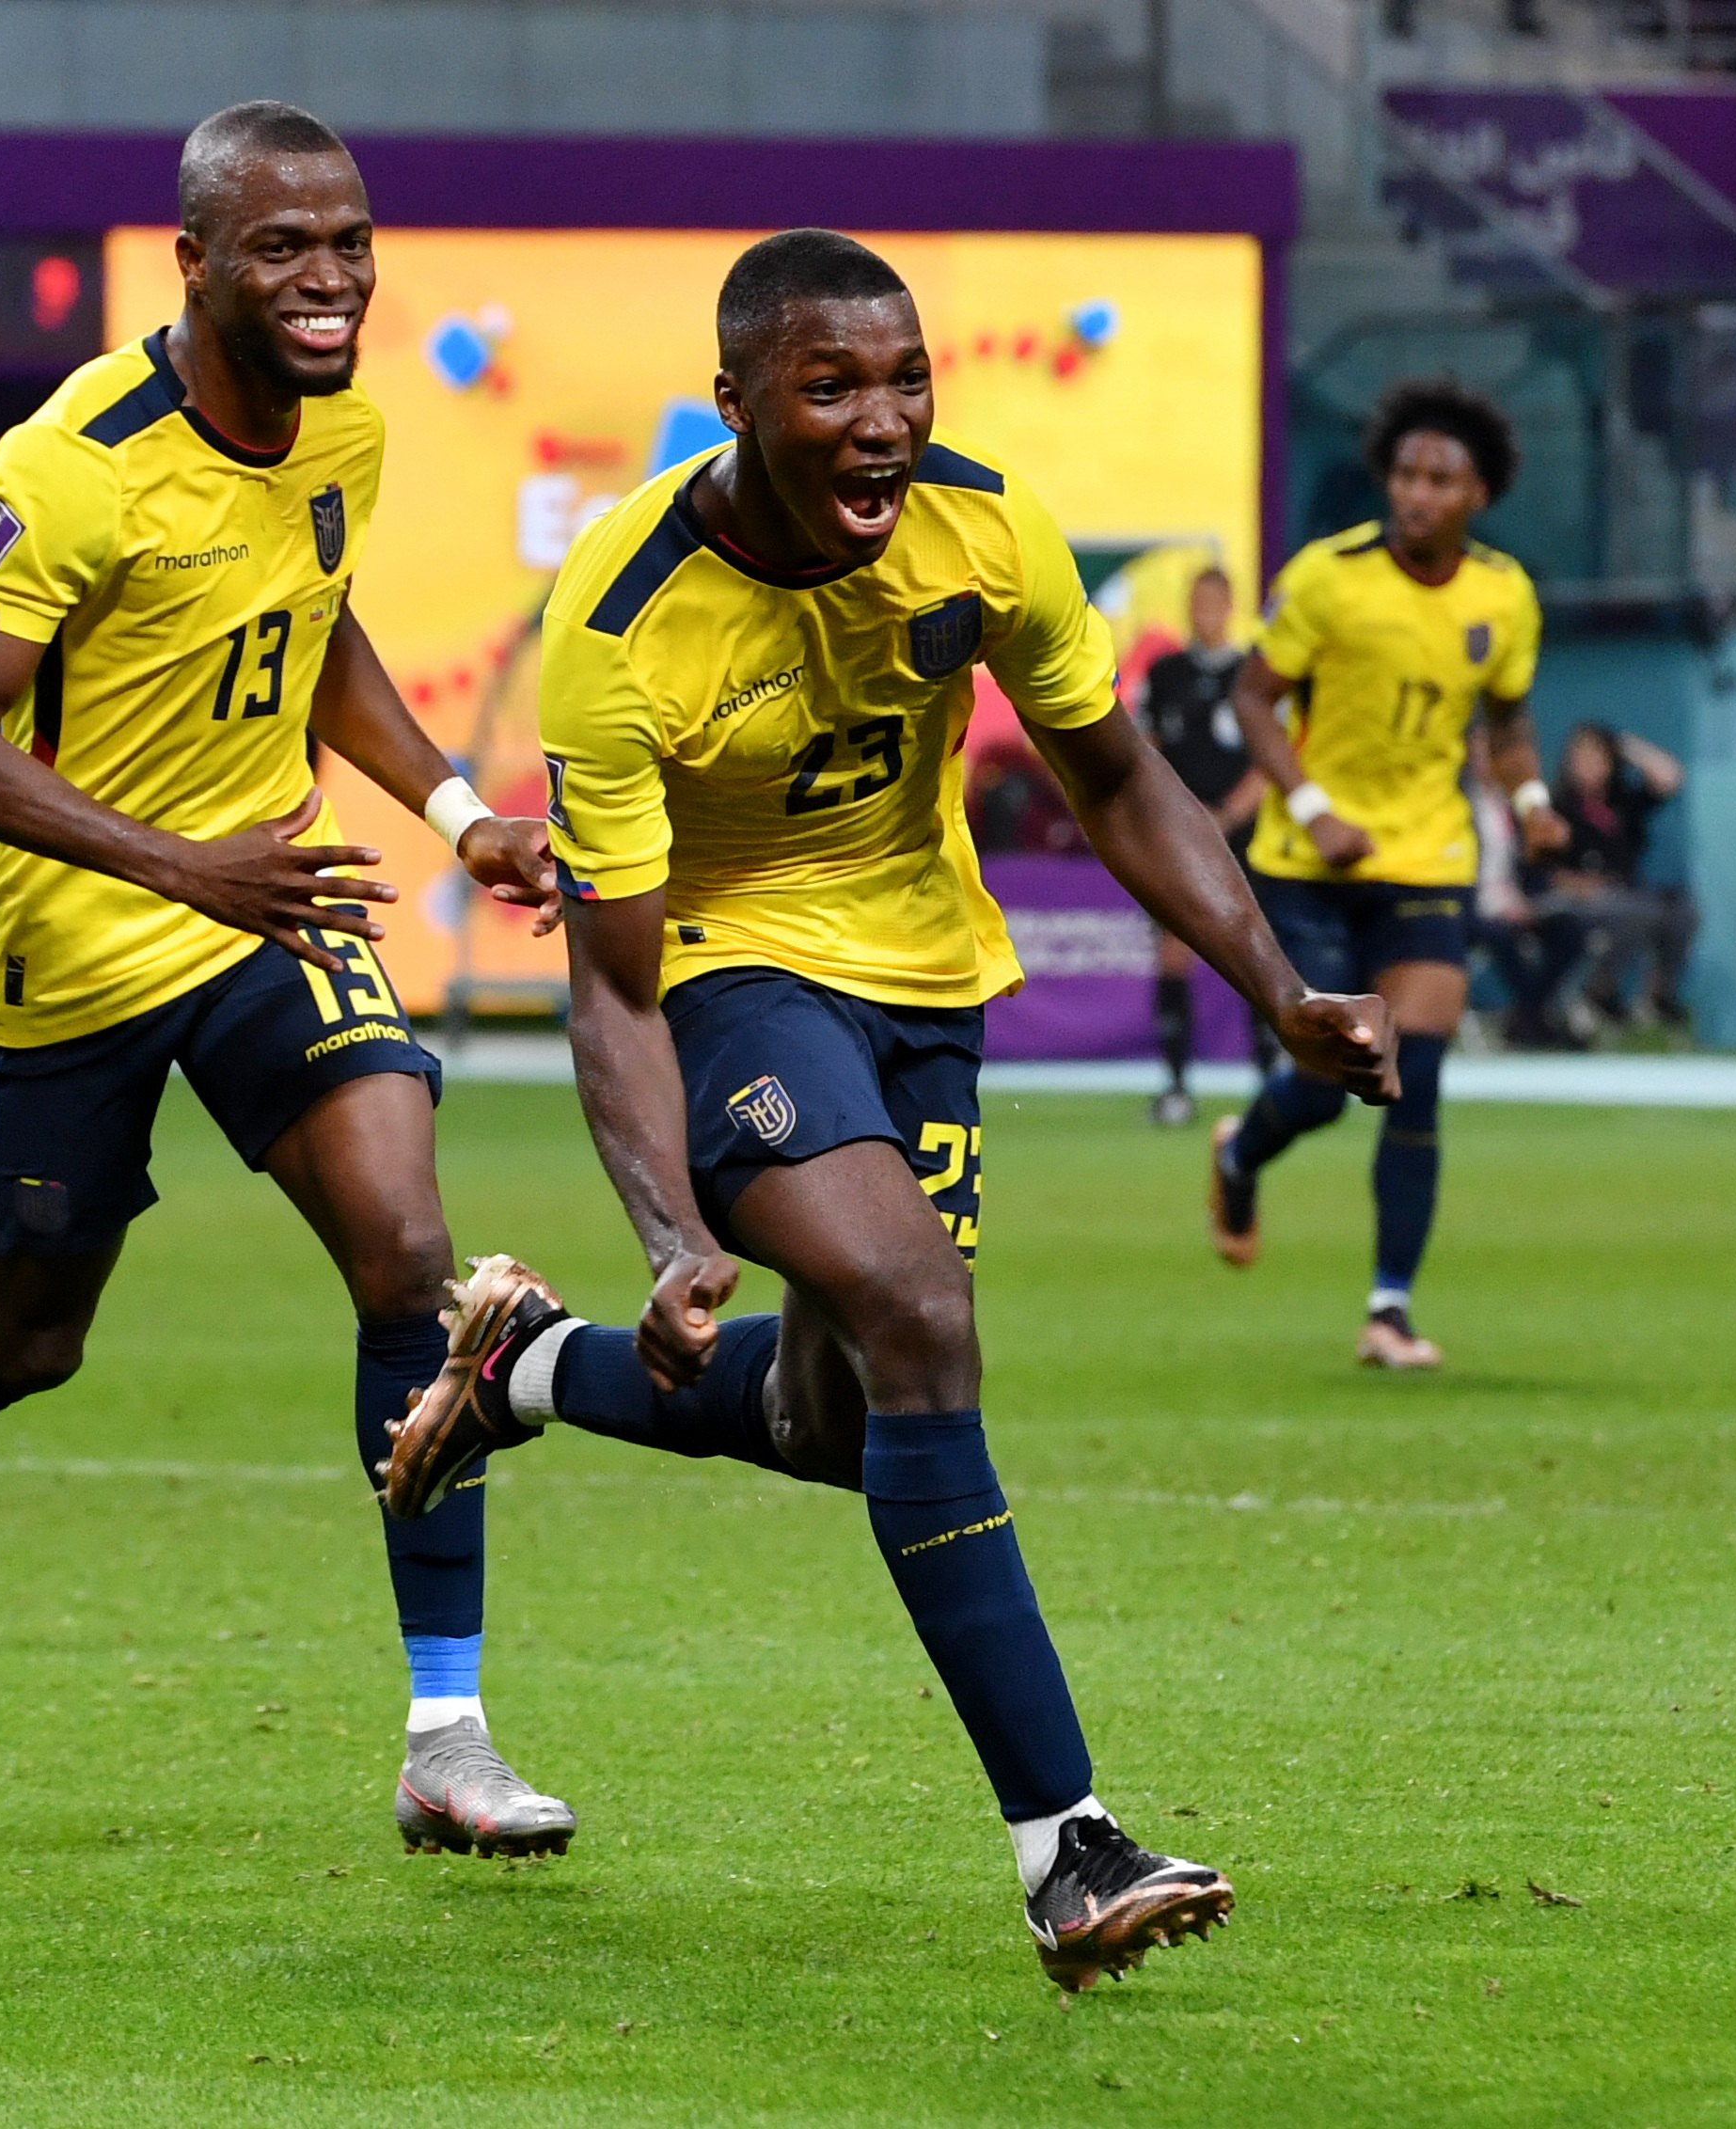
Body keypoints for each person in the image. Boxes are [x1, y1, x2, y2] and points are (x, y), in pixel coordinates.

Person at [367, 229, 1394, 1990]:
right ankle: (1065, 1843)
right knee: (924, 1316)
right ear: (737, 404)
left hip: (930, 983)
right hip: (733, 983)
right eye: (830, 384)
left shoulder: (987, 525)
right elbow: (609, 981)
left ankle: (524, 1365)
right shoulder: (619, 619)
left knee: (841, 1420)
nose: (881, 420)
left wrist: (1277, 984)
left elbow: (1119, 772)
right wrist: (676, 1231)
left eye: (906, 378)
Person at [0, 103, 574, 1867]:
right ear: (194, 263)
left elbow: (313, 627)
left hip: (270, 901)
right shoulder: (75, 458)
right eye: (282, 247)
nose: (327, 280)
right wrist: (187, 864)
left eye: (346, 241)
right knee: (27, 1332)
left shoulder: (354, 427)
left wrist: (461, 810)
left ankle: (447, 1730)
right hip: (73, 940)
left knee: (409, 1252)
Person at [1205, 381, 1555, 1371]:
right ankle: (1239, 1154)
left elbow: (1510, 723)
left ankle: (1389, 1309)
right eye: (1405, 473)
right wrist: (1315, 807)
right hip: (1308, 863)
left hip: (1429, 859)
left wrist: (1531, 808)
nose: (1417, 492)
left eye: (1440, 477)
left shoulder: (1505, 593)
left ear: (1478, 492)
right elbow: (1256, 694)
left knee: (1420, 1077)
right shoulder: (1329, 577)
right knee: (1327, 1084)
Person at [1132, 562, 1270, 1125]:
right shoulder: (1164, 674)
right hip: (1180, 838)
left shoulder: (1253, 675)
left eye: (1214, 601)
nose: (1204, 611)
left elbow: (1272, 760)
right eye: (1196, 600)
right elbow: (1144, 751)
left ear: (1230, 605)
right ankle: (1176, 1085)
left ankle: (1270, 1079)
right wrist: (1182, 817)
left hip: (1246, 837)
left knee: (1259, 953)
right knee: (1174, 951)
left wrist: (1228, 814)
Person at [1502, 720, 1693, 1048]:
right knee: (1634, 911)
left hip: (1622, 896)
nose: (1586, 763)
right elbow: (1535, 874)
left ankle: (1659, 995)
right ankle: (1599, 992)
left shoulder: (1622, 803)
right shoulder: (1554, 806)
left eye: (1595, 755)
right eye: (1580, 754)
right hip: (1570, 901)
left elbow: (1671, 778)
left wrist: (1626, 746)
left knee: (1681, 910)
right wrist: (1581, 885)